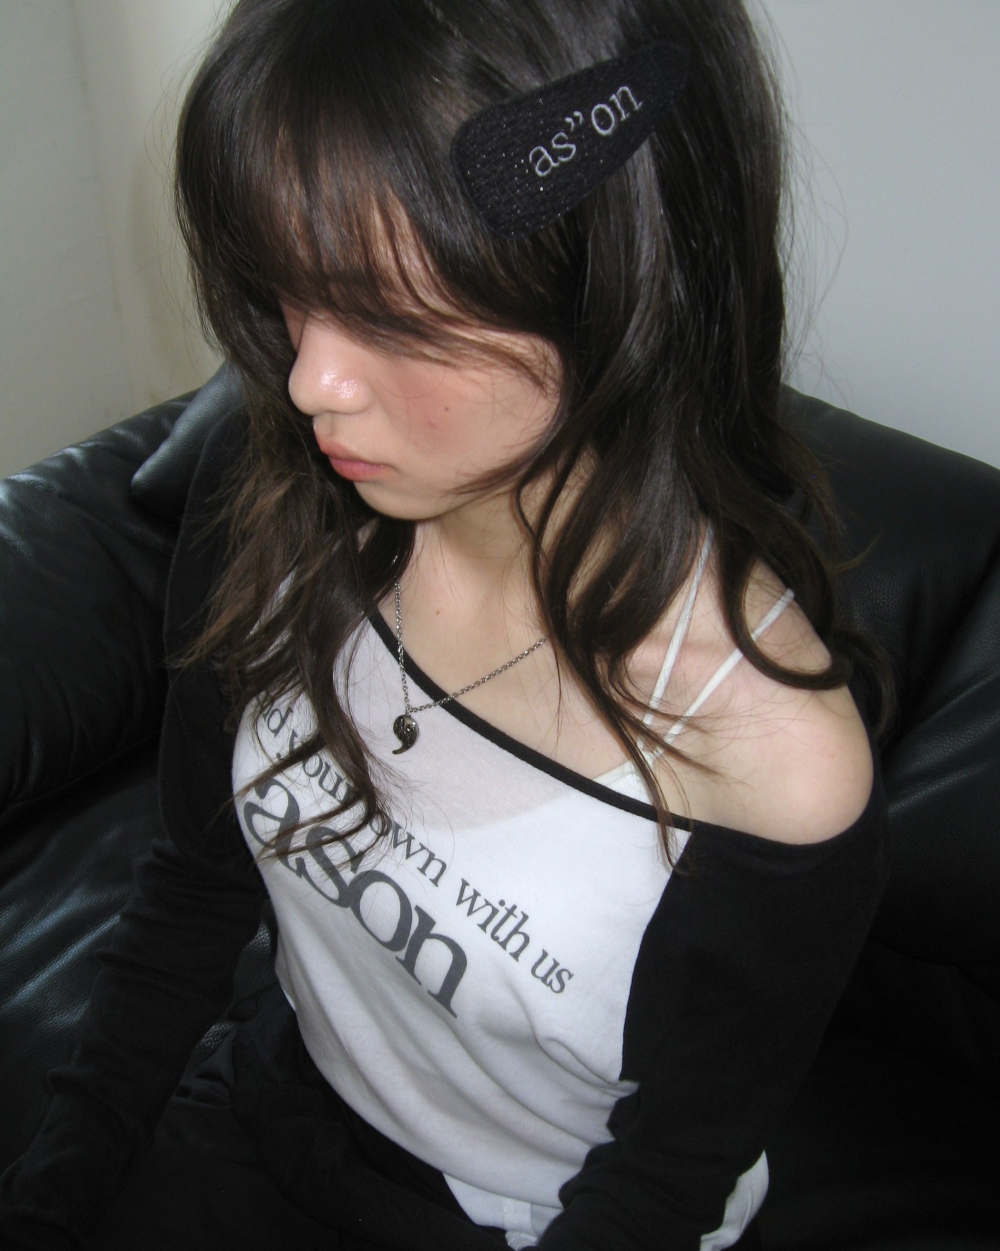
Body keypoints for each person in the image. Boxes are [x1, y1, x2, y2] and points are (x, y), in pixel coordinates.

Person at [0, 0, 892, 1248]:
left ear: (612, 279)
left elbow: (662, 1176)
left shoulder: (766, 757)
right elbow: (192, 888)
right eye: (287, 286)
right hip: (271, 1095)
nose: (309, 380)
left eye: (383, 309)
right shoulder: (271, 497)